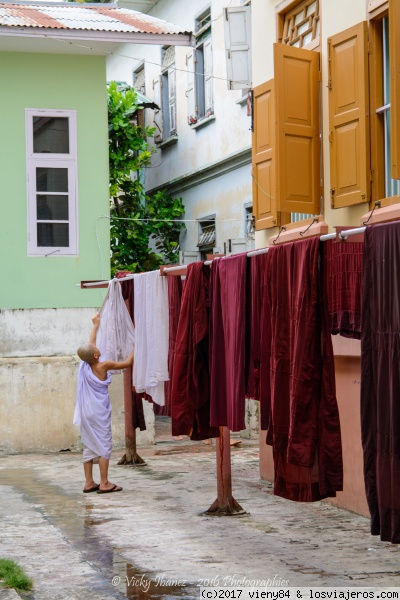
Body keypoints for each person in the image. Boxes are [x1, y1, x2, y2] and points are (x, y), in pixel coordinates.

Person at [74, 313, 134, 494]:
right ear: (95, 355)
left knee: (89, 445)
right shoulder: (104, 365)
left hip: (86, 411)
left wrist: (95, 325)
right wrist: (136, 344)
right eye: (96, 347)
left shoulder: (85, 365)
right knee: (104, 445)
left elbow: (89, 346)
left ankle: (88, 482)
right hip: (98, 411)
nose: (97, 345)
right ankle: (105, 483)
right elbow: (128, 363)